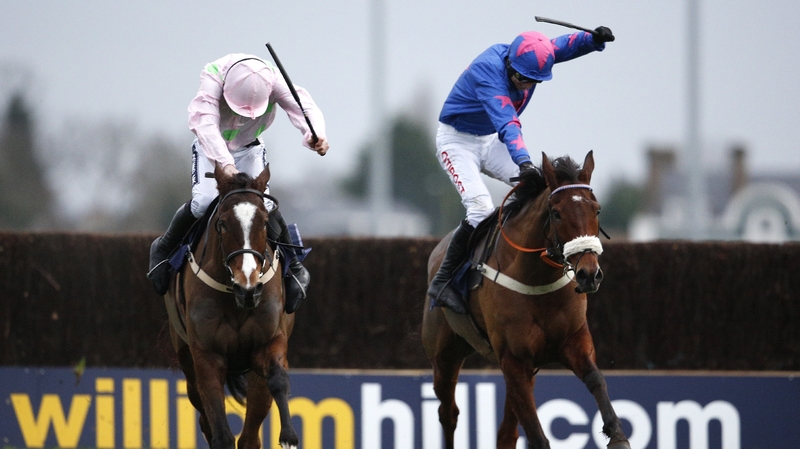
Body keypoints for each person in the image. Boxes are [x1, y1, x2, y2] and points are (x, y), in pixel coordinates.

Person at [428, 27, 614, 307]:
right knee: (480, 208)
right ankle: (443, 282)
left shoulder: (528, 55)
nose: (527, 85)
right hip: (457, 143)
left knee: (542, 192)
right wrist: (524, 161)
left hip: (488, 139)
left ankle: (544, 256)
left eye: (534, 81)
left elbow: (563, 46)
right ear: (509, 65)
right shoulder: (487, 73)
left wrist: (593, 40)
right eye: (523, 79)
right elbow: (508, 124)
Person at [147, 53, 329, 313]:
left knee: (262, 204)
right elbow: (205, 123)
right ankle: (163, 247)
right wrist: (225, 163)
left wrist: (315, 134)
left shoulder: (274, 79)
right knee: (204, 202)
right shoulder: (213, 76)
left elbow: (303, 106)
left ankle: (296, 267)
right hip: (212, 148)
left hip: (250, 149)